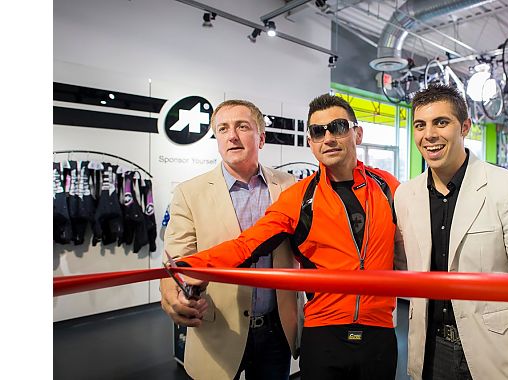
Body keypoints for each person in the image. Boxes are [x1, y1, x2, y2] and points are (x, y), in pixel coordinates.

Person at [176, 94, 406, 380]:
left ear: (356, 133)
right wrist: (190, 266)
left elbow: (417, 245)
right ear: (310, 142)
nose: (328, 138)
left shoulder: (389, 187)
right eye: (318, 131)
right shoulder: (298, 197)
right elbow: (248, 244)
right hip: (323, 332)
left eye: (338, 127)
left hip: (380, 332)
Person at [394, 84, 508, 380]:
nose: (429, 135)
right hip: (429, 349)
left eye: (441, 122)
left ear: (465, 127)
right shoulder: (406, 196)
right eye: (420, 125)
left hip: (493, 352)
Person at [160, 99, 300, 380]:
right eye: (222, 129)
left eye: (242, 126)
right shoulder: (190, 193)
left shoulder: (290, 187)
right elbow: (175, 263)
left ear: (261, 138)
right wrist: (170, 296)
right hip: (218, 329)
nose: (231, 135)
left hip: (277, 330)